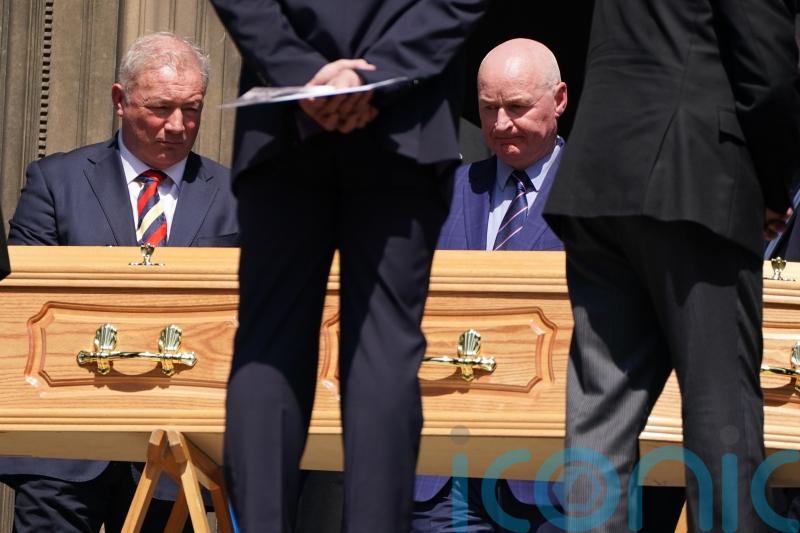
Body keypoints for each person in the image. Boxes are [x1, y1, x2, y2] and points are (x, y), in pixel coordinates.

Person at [208, 1, 487, 531]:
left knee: (269, 344)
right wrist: (376, 76)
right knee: (383, 352)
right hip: (405, 123)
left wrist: (302, 72)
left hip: (283, 117)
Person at [543, 1, 800, 531]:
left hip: (600, 174)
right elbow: (767, 69)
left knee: (599, 415)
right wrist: (774, 188)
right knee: (721, 409)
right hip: (695, 177)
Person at [0, 32, 238, 532]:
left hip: (181, 455)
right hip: (65, 449)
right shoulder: (55, 182)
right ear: (119, 101)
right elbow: (23, 306)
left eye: (191, 109)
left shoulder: (237, 197)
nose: (177, 125)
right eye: (160, 107)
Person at [414, 39, 566, 533]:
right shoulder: (446, 191)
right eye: (488, 109)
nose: (501, 125)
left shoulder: (601, 199)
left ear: (559, 99)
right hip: (445, 476)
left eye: (517, 107)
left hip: (553, 474)